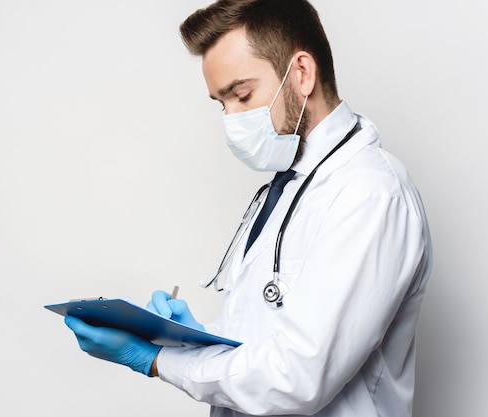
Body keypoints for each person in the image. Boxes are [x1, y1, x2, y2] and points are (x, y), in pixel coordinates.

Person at [63, 0, 432, 416]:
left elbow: (296, 377)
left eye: (241, 95)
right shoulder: (289, 183)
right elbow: (268, 334)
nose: (231, 119)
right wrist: (187, 337)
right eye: (221, 104)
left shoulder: (368, 194)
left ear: (302, 73)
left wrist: (155, 360)